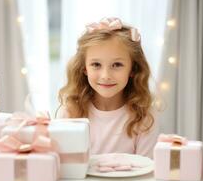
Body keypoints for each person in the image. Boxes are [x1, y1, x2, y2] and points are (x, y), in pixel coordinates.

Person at [57, 17, 159, 158]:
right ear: (84, 68)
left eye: (117, 65)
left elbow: (147, 170)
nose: (105, 76)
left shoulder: (144, 116)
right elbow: (65, 166)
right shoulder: (70, 112)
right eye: (96, 65)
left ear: (133, 69)